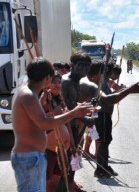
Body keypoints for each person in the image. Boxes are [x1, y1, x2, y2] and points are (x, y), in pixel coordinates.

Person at [10, 58, 92, 192]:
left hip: (32, 156)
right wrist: (73, 113)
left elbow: (39, 123)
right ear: (47, 78)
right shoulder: (28, 95)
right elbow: (44, 124)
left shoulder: (29, 93)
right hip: (29, 157)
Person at [79, 60, 139, 178]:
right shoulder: (94, 86)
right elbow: (109, 99)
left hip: (104, 116)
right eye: (102, 72)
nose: (105, 74)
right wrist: (128, 90)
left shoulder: (100, 83)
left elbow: (111, 96)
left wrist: (125, 90)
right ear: (94, 75)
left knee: (105, 141)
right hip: (101, 116)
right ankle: (101, 168)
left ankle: (104, 166)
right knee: (103, 142)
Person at [61, 52, 92, 192]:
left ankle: (70, 182)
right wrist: (83, 117)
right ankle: (64, 186)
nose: (85, 69)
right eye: (81, 65)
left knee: (75, 155)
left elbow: (74, 103)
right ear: (73, 65)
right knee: (65, 159)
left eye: (87, 66)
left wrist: (87, 107)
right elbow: (64, 107)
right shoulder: (66, 81)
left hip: (74, 126)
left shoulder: (76, 81)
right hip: (64, 128)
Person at [39, 73, 73, 192]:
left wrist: (72, 147)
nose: (58, 85)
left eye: (60, 82)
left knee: (54, 185)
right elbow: (39, 120)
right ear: (48, 83)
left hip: (62, 151)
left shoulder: (60, 100)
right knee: (44, 184)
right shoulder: (44, 98)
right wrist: (45, 98)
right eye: (54, 82)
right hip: (47, 151)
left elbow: (67, 125)